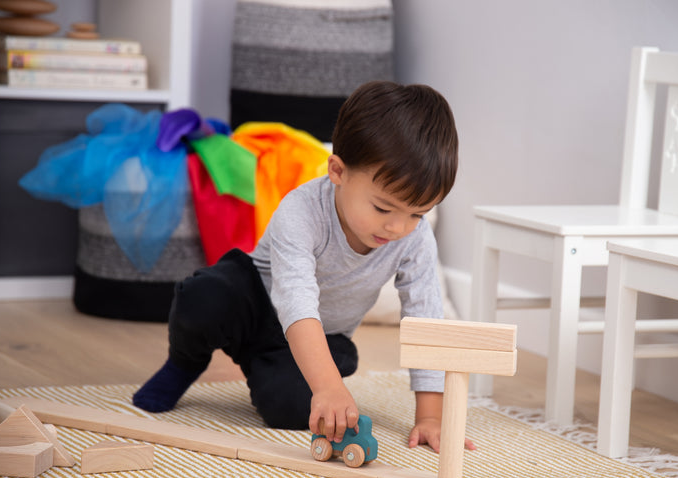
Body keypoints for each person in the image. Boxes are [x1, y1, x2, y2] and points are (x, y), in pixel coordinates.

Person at [133, 80, 472, 452]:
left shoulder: (414, 237)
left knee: (294, 409)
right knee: (203, 297)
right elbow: (296, 299)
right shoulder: (301, 210)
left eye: (417, 213)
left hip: (317, 335)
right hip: (254, 302)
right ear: (338, 172)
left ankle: (271, 367)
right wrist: (327, 385)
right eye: (382, 208)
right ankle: (183, 363)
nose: (398, 227)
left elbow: (425, 318)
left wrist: (429, 416)